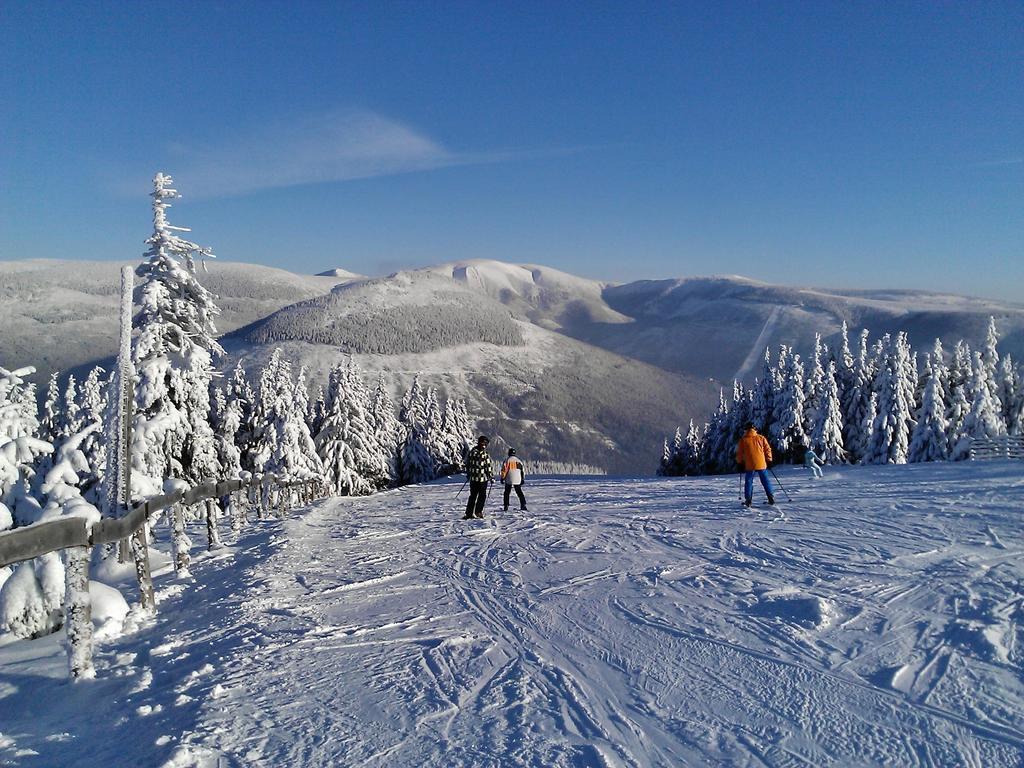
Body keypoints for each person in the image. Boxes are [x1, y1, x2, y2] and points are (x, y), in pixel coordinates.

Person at [736, 422, 776, 507]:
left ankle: (748, 500)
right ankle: (771, 498)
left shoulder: (743, 440)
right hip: (761, 463)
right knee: (765, 481)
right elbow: (768, 449)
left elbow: (739, 453)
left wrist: (740, 463)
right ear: (755, 429)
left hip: (749, 465)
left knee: (749, 482)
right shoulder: (761, 438)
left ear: (746, 430)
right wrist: (769, 460)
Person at [463, 435, 494, 519]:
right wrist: (491, 476)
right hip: (482, 479)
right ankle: (478, 511)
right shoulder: (484, 454)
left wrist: (469, 473)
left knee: (472, 496)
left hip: (473, 478)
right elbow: (488, 466)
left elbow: (467, 463)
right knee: (482, 496)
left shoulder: (472, 452)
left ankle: (469, 513)